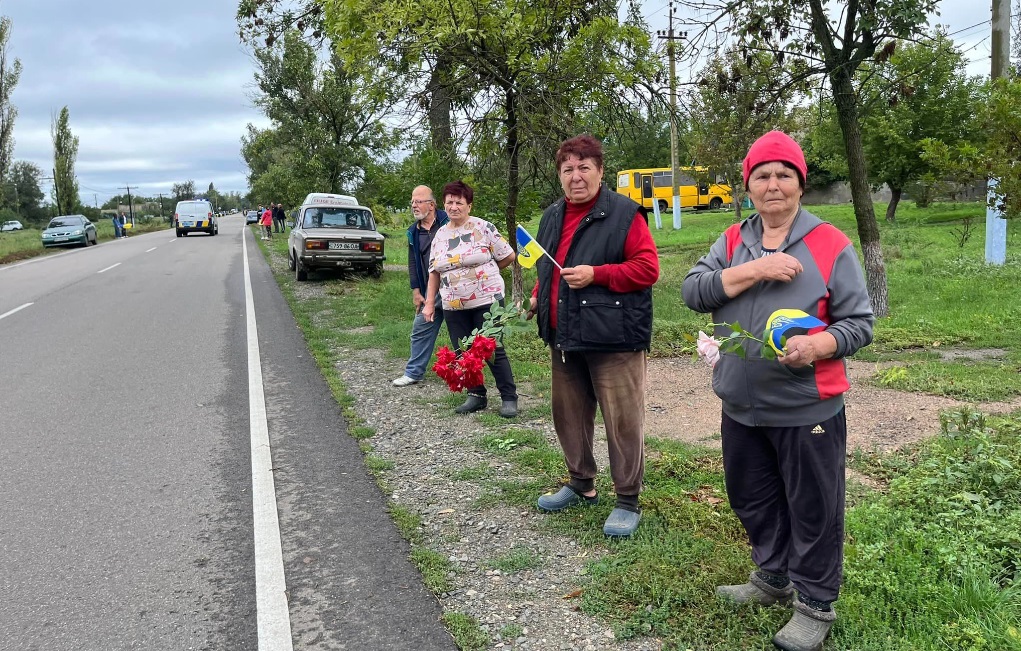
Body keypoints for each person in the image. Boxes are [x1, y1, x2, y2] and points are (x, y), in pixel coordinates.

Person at [681, 130, 874, 651]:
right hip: (740, 405)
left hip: (806, 406)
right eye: (762, 175)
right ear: (748, 185)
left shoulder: (831, 245)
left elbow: (860, 323)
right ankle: (772, 577)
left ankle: (814, 603)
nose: (772, 185)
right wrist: (755, 268)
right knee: (752, 496)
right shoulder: (730, 241)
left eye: (783, 175)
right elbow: (693, 291)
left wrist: (820, 347)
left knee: (813, 505)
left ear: (799, 184)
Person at [526, 134, 660, 539]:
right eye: (568, 169)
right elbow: (547, 265)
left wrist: (597, 274)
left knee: (622, 420)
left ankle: (627, 499)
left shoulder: (624, 214)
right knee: (568, 414)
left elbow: (647, 269)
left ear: (601, 172)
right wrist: (537, 296)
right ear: (560, 175)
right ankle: (581, 482)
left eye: (584, 167)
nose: (576, 176)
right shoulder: (552, 216)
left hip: (613, 338)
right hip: (564, 335)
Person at [422, 180, 518, 417]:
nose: (454, 207)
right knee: (462, 352)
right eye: (449, 203)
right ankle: (476, 395)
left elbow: (508, 255)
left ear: (469, 205)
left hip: (488, 302)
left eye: (459, 202)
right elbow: (434, 272)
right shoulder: (441, 235)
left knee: (493, 349)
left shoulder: (483, 228)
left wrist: (487, 275)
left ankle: (509, 397)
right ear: (444, 206)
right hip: (453, 304)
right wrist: (428, 302)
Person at [392, 185, 449, 387]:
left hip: (454, 289)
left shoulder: (448, 222)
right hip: (429, 291)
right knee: (421, 328)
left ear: (431, 205)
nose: (414, 206)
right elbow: (413, 262)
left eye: (418, 201)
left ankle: (467, 374)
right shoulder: (412, 232)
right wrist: (416, 291)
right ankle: (414, 372)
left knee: (462, 332)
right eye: (412, 202)